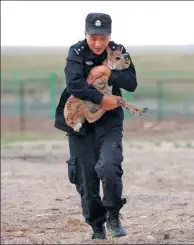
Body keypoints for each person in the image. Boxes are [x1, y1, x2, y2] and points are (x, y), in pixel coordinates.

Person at [54, 12, 137, 240]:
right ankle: (97, 226)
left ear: (110, 36)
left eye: (103, 38)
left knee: (109, 167)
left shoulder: (118, 51)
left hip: (109, 120)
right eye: (93, 38)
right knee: (85, 177)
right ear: (85, 35)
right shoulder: (77, 52)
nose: (99, 43)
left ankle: (113, 215)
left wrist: (108, 71)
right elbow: (74, 84)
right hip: (80, 121)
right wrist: (102, 99)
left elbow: (131, 82)